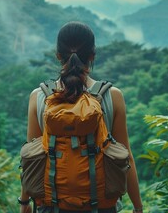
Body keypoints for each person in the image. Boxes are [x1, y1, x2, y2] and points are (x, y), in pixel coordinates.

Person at [19, 21, 144, 213]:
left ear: (58, 55)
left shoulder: (39, 96)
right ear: (92, 55)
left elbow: (32, 157)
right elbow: (127, 159)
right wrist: (138, 207)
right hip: (101, 207)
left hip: (50, 206)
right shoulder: (113, 96)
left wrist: (24, 202)